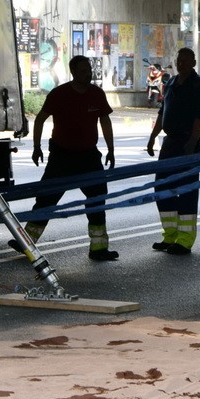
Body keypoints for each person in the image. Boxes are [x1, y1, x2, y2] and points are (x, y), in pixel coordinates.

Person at [14, 55, 118, 261]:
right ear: (73, 72)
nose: (87, 74)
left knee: (97, 200)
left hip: (89, 157)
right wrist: (36, 147)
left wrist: (111, 150)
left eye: (89, 70)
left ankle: (98, 248)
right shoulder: (60, 94)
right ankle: (25, 242)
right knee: (46, 199)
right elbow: (41, 119)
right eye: (82, 71)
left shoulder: (96, 94)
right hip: (62, 156)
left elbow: (105, 121)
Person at [146, 47, 200, 255]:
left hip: (187, 143)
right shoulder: (171, 82)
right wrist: (153, 137)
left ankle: (184, 240)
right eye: (178, 60)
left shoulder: (199, 85)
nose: (181, 63)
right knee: (162, 188)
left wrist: (192, 143)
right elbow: (163, 111)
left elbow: (199, 117)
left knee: (186, 190)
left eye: (185, 60)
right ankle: (170, 235)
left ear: (193, 62)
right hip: (170, 142)